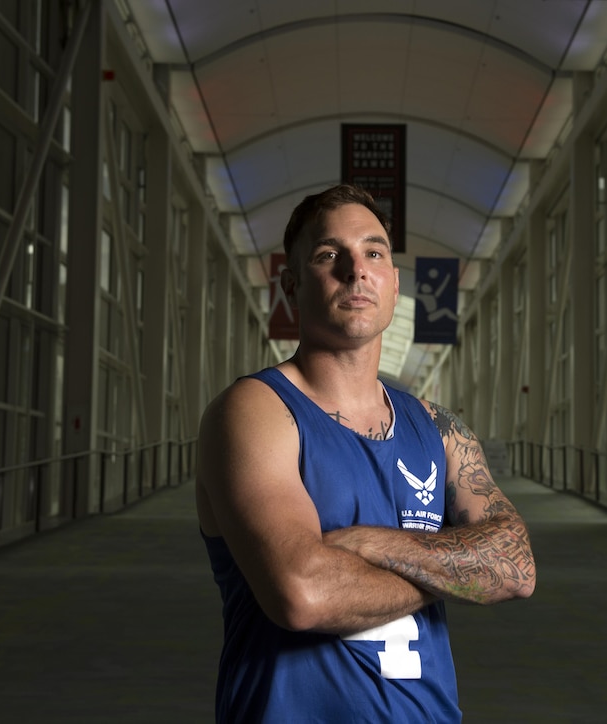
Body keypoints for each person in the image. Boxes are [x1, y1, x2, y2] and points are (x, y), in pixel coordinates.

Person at [196, 184, 536, 723]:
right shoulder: (255, 412)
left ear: (394, 283)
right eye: (329, 254)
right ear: (290, 284)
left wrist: (365, 544)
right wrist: (452, 565)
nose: (357, 270)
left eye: (374, 253)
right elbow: (302, 593)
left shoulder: (438, 427)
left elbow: (514, 567)